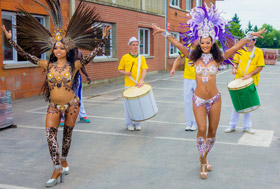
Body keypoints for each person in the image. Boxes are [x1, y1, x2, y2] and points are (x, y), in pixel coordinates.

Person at [2, 0, 112, 187]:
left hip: (72, 105)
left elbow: (92, 55)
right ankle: (56, 166)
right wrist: (10, 40)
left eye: (62, 47)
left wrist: (103, 39)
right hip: (54, 105)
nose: (59, 50)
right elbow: (25, 54)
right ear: (52, 49)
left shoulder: (74, 65)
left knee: (67, 136)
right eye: (55, 47)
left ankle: (64, 160)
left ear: (67, 49)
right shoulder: (47, 64)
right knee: (49, 134)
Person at [152, 4, 266, 179]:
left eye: (208, 42)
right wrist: (163, 31)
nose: (205, 45)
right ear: (200, 42)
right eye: (202, 42)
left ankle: (205, 155)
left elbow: (237, 47)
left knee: (212, 132)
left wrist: (250, 35)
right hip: (198, 100)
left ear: (212, 42)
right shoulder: (192, 56)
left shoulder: (219, 58)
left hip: (215, 100)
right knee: (202, 129)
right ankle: (203, 162)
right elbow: (176, 42)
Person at [225, 34, 265, 134]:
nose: (251, 41)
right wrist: (234, 68)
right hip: (238, 80)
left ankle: (247, 127)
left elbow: (260, 66)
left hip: (251, 81)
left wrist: (250, 74)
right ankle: (232, 126)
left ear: (255, 41)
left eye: (253, 39)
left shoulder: (258, 52)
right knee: (236, 104)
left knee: (249, 105)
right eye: (250, 39)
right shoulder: (241, 50)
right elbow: (235, 62)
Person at [118, 37, 148, 131]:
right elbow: (120, 69)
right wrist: (125, 73)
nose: (135, 47)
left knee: (138, 105)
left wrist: (141, 80)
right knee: (128, 105)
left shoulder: (141, 58)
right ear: (129, 46)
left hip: (138, 85)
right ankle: (129, 124)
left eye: (136, 45)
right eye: (133, 45)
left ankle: (137, 123)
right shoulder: (125, 57)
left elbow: (144, 70)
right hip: (128, 84)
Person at [170, 50, 197, 131]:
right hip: (187, 78)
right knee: (187, 102)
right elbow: (178, 59)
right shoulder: (186, 48)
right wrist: (173, 68)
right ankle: (188, 123)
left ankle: (195, 123)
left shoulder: (201, 47)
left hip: (198, 78)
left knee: (197, 102)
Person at [59, 61, 92, 126]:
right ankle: (61, 119)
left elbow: (82, 66)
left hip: (76, 78)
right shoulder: (62, 53)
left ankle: (82, 116)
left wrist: (87, 76)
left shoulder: (78, 53)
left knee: (78, 98)